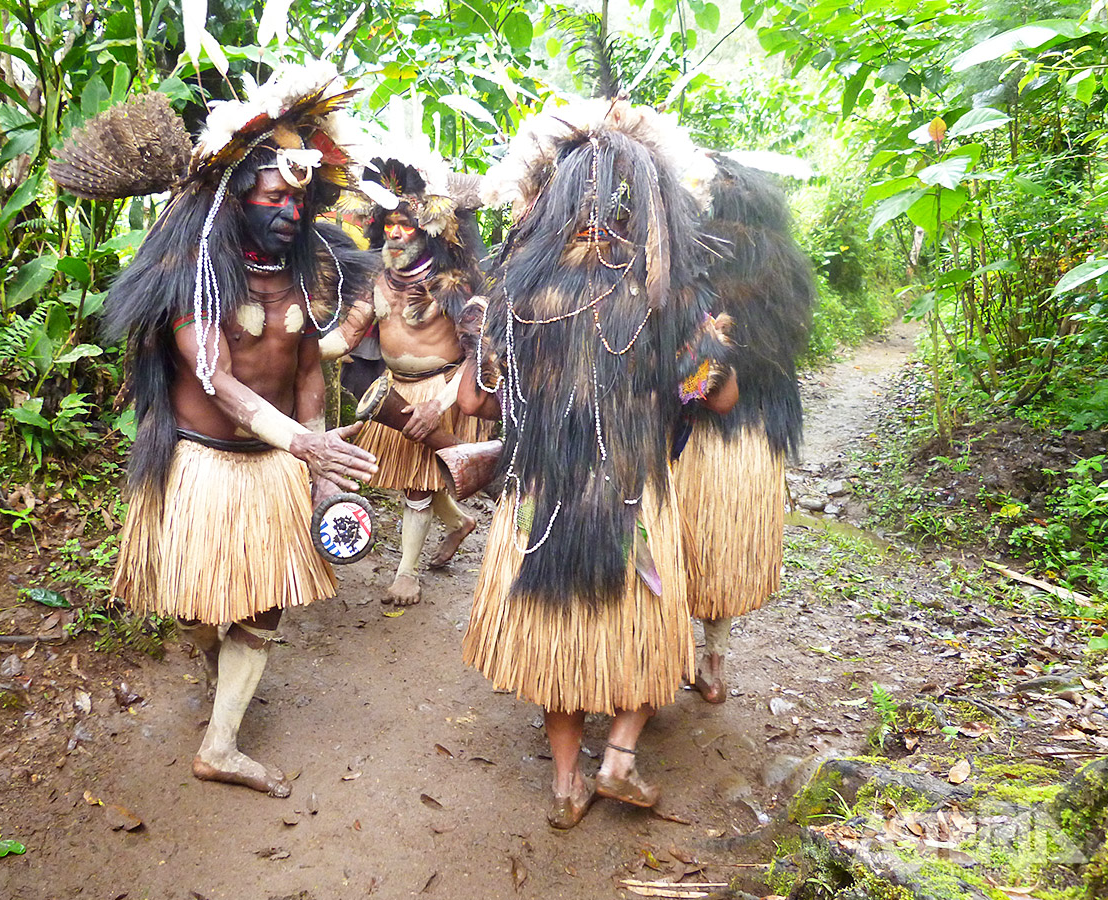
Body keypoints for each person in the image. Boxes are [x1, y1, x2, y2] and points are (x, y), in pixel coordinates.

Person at [50, 64, 379, 797]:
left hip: (272, 473)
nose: (290, 211)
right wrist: (300, 443)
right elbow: (215, 379)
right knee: (201, 609)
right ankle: (217, 670)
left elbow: (305, 379)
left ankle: (222, 742)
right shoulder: (191, 272)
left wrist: (320, 462)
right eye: (273, 194)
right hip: (203, 466)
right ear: (235, 197)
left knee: (265, 606)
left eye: (299, 197)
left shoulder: (295, 277)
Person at [457, 98, 736, 828]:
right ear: (635, 204)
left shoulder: (519, 289)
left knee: (554, 635)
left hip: (539, 501)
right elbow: (720, 395)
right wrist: (699, 362)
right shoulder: (664, 291)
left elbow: (479, 401)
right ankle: (617, 758)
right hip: (633, 495)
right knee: (649, 628)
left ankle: (563, 784)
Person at [674, 151, 815, 703]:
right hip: (757, 434)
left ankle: (671, 654)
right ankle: (715, 662)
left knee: (682, 544)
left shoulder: (695, 261)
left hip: (705, 428)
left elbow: (696, 367)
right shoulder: (788, 270)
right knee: (724, 552)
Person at [320, 153, 489, 606]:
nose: (395, 232)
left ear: (427, 230)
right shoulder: (375, 275)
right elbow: (348, 334)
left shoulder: (453, 279)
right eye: (389, 223)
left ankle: (406, 573)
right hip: (393, 390)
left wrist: (442, 402)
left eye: (406, 225)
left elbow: (479, 351)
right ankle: (459, 523)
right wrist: (294, 347)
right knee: (417, 476)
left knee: (419, 483)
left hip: (446, 389)